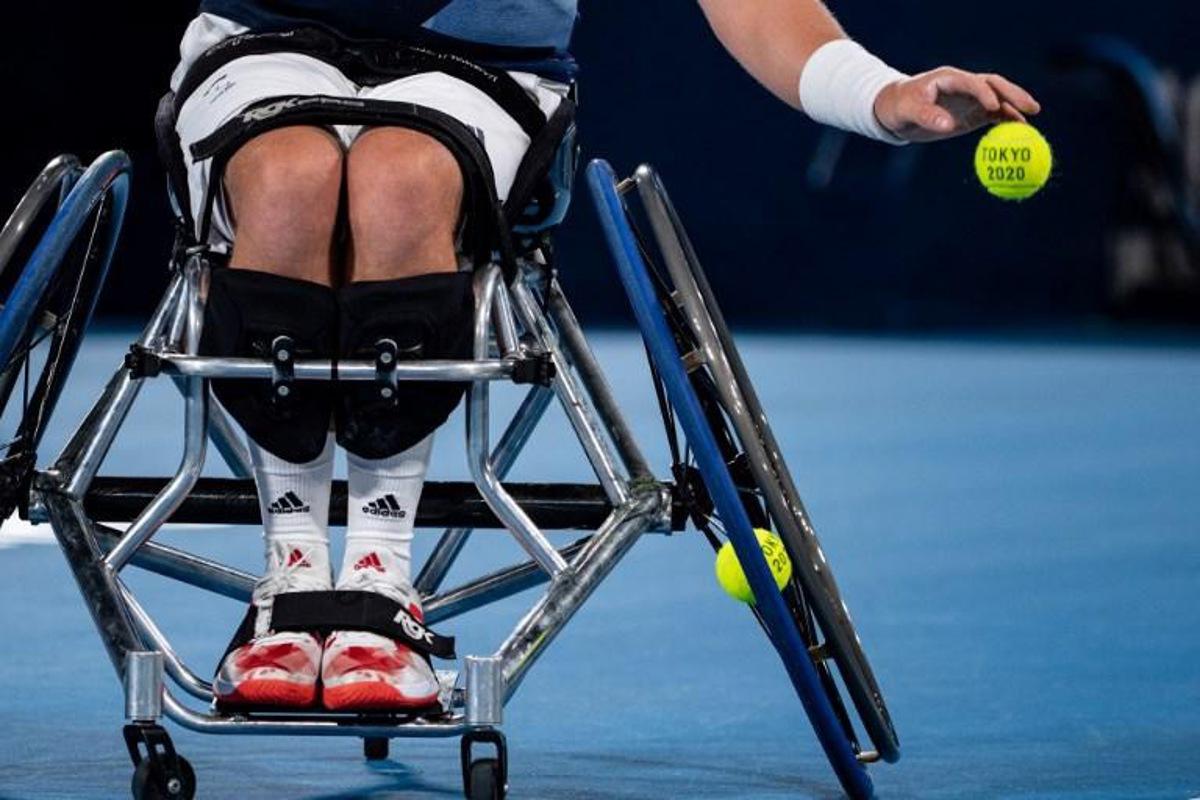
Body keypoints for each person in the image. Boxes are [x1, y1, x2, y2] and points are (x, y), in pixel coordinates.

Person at [171, 0, 1040, 713]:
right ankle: (289, 571)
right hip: (263, 46)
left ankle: (376, 588)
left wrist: (883, 96)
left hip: (481, 72)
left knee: (400, 181)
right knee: (289, 179)